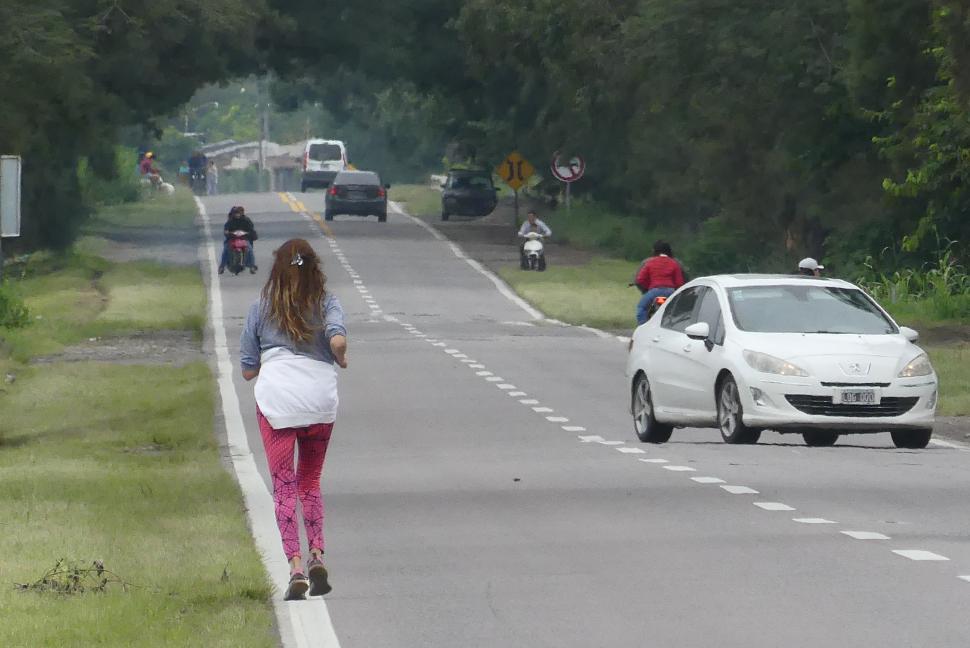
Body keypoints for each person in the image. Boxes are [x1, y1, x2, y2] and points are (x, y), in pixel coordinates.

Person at [239, 239, 348, 601]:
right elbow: (336, 337)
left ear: (277, 270)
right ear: (315, 269)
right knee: (310, 482)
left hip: (278, 402)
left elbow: (248, 370)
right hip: (319, 399)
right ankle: (318, 553)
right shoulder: (327, 302)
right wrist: (338, 351)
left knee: (283, 485)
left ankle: (296, 567)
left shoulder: (260, 307)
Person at [634, 240, 686, 325]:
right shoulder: (674, 263)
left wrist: (647, 287)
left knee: (641, 308)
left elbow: (640, 279)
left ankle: (642, 327)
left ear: (655, 251)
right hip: (670, 292)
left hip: (654, 291)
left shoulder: (650, 262)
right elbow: (679, 283)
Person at [220, 206, 258, 274]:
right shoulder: (230, 221)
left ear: (241, 213)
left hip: (244, 239)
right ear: (233, 214)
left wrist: (248, 233)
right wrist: (228, 233)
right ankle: (222, 267)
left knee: (250, 250)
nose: (237, 215)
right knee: (225, 249)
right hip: (232, 239)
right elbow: (226, 230)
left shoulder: (247, 220)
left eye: (238, 213)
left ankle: (252, 267)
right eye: (236, 213)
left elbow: (251, 230)